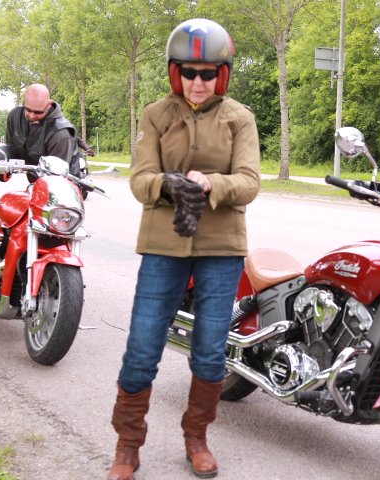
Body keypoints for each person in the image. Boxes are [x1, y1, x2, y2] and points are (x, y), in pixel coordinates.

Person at [106, 18, 260, 480]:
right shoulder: (156, 114)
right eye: (189, 72)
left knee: (210, 352)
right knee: (142, 347)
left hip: (221, 248)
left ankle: (197, 437)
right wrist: (167, 184)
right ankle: (127, 445)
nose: (198, 81)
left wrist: (210, 183)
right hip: (163, 245)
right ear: (176, 72)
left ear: (221, 75)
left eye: (208, 73)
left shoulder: (240, 118)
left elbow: (250, 182)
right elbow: (140, 180)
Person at [5, 84, 79, 179]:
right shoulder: (15, 116)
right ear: (24, 99)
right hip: (35, 178)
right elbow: (12, 150)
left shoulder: (61, 134)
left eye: (38, 112)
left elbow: (55, 177)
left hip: (62, 182)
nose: (32, 115)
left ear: (49, 105)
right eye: (28, 110)